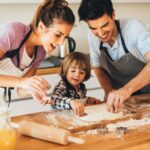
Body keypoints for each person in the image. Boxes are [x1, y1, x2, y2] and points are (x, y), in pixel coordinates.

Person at [78, 0, 150, 113]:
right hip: (123, 102)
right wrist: (109, 92)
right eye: (94, 28)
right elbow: (98, 68)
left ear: (113, 15)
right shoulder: (93, 37)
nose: (101, 33)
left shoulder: (133, 28)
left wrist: (126, 90)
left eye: (104, 25)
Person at [0, 0, 75, 105]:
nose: (61, 43)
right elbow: (21, 82)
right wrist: (21, 82)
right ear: (41, 27)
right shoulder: (12, 32)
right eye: (58, 35)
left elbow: (20, 90)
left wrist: (34, 90)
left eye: (65, 37)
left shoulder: (40, 51)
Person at [50, 52, 100, 116]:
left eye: (81, 72)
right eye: (73, 71)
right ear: (66, 70)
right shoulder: (63, 84)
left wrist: (87, 100)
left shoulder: (82, 87)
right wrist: (70, 102)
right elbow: (53, 99)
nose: (77, 75)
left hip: (74, 118)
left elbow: (79, 102)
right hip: (60, 119)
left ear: (86, 75)